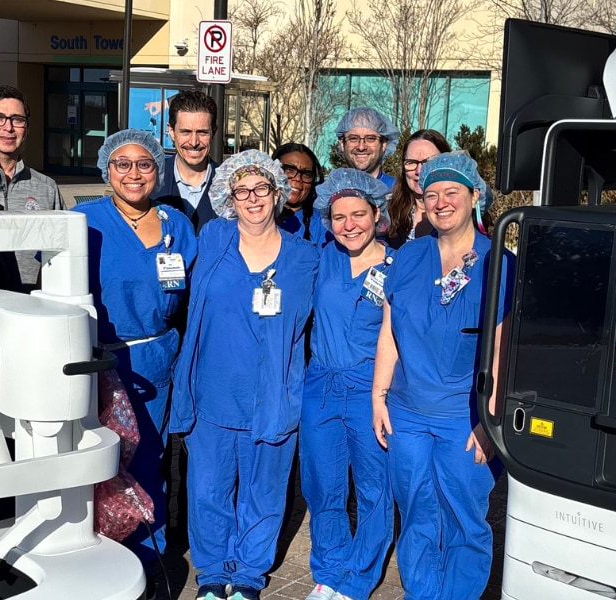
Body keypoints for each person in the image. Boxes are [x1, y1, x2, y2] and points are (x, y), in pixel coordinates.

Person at [169, 150, 320, 600]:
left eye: (261, 189)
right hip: (212, 392)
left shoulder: (305, 257)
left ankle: (249, 575)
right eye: (242, 191)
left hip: (272, 396)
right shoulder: (213, 238)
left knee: (264, 490)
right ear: (228, 198)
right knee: (208, 490)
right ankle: (213, 574)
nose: (252, 198)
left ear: (278, 193)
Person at [370, 151, 513, 598]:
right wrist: (378, 396)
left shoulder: (499, 263)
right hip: (407, 412)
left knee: (463, 519)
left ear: (475, 196)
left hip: (464, 417)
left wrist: (490, 421)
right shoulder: (409, 257)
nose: (441, 202)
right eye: (431, 194)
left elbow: (504, 350)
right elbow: (389, 334)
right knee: (416, 512)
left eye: (452, 192)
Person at [71, 129, 198, 571]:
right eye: (121, 164)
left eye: (144, 164)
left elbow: (191, 293)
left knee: (149, 458)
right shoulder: (83, 220)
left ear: (157, 171)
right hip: (98, 359)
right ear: (106, 169)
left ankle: (148, 557)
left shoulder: (175, 224)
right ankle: (96, 556)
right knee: (97, 460)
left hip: (155, 359)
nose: (133, 173)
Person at [299, 169, 394, 600]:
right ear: (328, 220)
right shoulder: (323, 257)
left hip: (370, 389)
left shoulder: (397, 266)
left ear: (377, 214)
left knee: (374, 487)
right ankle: (329, 571)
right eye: (339, 217)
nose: (349, 225)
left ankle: (357, 579)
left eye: (359, 214)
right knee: (323, 484)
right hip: (321, 385)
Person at [0, 84, 65, 292]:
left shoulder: (46, 188)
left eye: (17, 120)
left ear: (26, 127)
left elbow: (60, 251)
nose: (8, 128)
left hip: (32, 303)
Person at [154, 90, 220, 232]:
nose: (194, 142)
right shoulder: (150, 183)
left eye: (202, 132)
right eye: (186, 132)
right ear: (171, 131)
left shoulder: (231, 185)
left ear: (214, 132)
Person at [384, 129, 451, 249]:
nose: (419, 171)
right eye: (411, 162)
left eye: (428, 162)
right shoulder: (390, 212)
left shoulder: (458, 212)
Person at [272, 142, 325, 243]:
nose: (297, 178)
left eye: (306, 174)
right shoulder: (255, 213)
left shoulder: (322, 224)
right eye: (289, 170)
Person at [335, 107, 400, 188]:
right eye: (353, 138)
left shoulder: (398, 191)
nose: (361, 147)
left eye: (370, 139)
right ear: (342, 144)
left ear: (384, 144)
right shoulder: (328, 190)